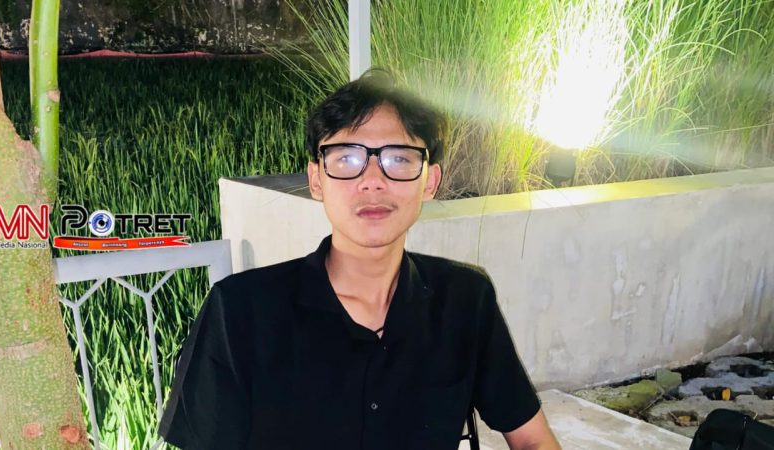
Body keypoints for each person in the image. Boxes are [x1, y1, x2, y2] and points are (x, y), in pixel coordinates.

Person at [158, 69, 561, 450]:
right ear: (316, 180)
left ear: (430, 182)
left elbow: (532, 439)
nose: (372, 181)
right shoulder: (241, 311)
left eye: (399, 159)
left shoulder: (464, 300)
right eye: (347, 159)